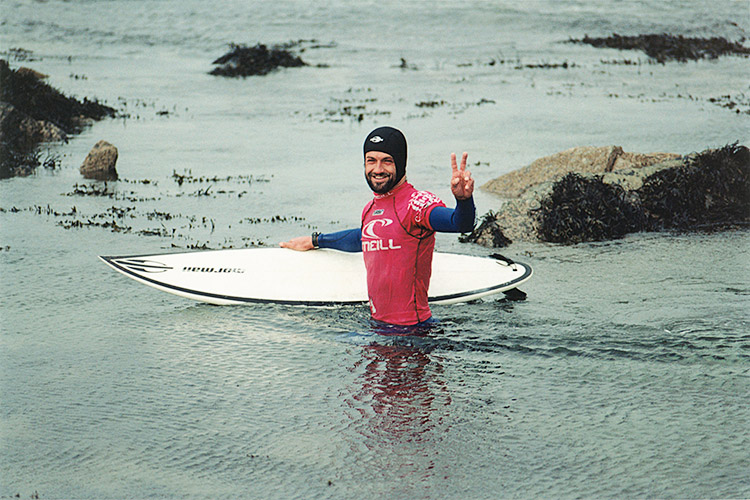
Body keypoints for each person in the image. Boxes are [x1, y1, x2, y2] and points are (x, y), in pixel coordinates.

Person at [280, 126, 475, 326]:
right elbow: (363, 238)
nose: (378, 169)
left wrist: (463, 201)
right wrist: (315, 240)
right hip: (378, 327)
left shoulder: (416, 204)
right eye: (371, 161)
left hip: (413, 334)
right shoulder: (370, 209)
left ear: (400, 163)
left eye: (387, 161)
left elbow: (460, 223)